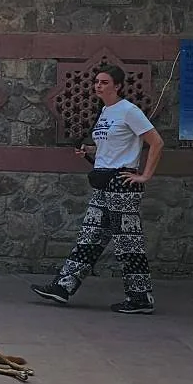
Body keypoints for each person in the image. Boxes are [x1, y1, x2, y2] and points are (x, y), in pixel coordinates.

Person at [31, 65, 164, 314]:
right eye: (96, 81)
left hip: (122, 183)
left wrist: (145, 175)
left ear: (117, 86)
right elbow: (114, 146)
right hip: (104, 182)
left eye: (104, 82)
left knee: (128, 242)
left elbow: (156, 141)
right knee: (90, 236)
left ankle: (141, 297)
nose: (98, 86)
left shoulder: (129, 111)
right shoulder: (105, 112)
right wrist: (90, 151)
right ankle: (63, 286)